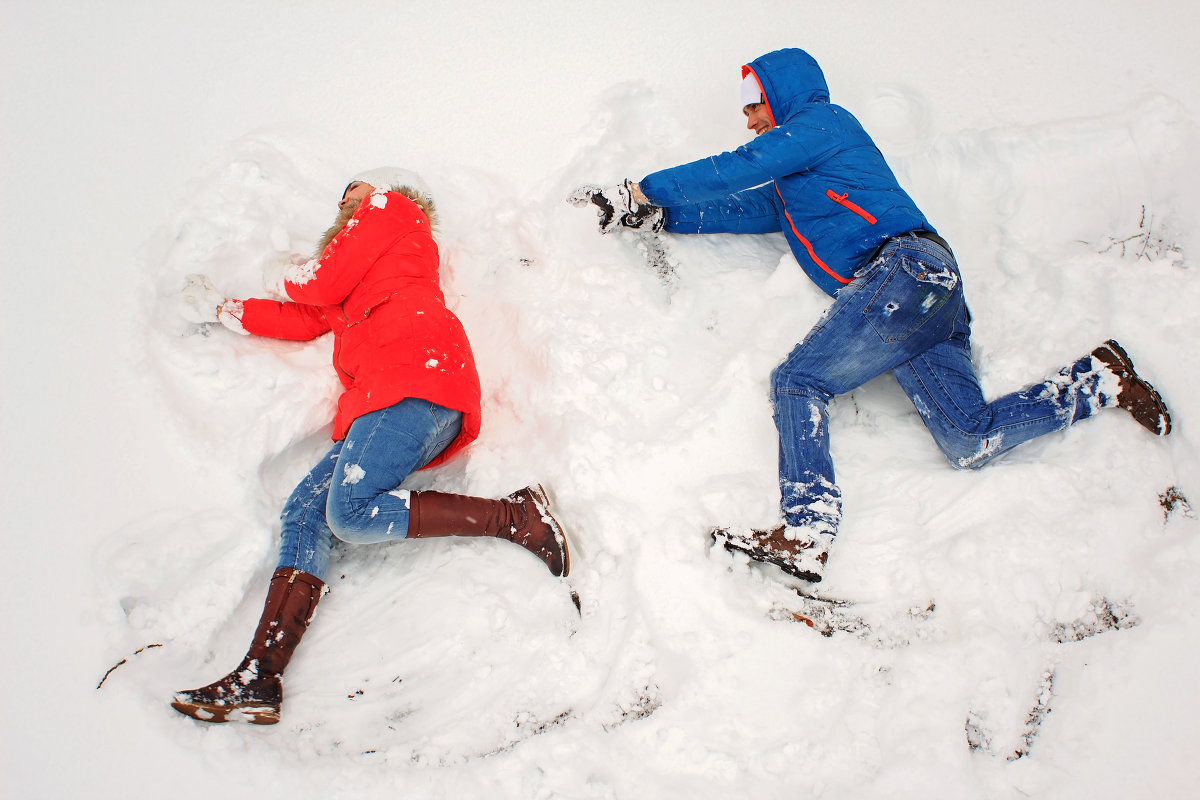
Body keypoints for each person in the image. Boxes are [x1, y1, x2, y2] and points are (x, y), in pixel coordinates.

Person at [575, 48, 1171, 584]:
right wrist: (660, 218)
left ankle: (807, 532)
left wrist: (642, 189)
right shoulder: (793, 184)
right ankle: (1101, 379)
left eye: (753, 101)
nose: (748, 115)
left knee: (798, 381)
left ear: (781, 94)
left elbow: (738, 164)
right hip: (928, 300)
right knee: (969, 439)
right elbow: (734, 203)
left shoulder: (823, 124)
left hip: (906, 273)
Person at [171, 167, 570, 725]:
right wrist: (222, 310)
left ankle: (515, 516)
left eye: (351, 191)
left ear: (386, 189)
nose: (344, 201)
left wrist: (286, 273)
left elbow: (313, 285)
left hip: (417, 377)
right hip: (386, 400)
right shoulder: (360, 280)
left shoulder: (391, 213)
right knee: (304, 515)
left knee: (349, 513)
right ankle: (260, 677)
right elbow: (304, 318)